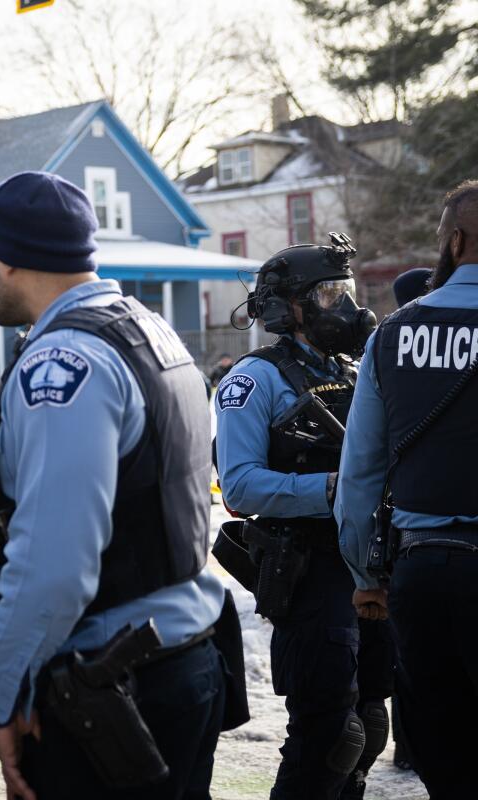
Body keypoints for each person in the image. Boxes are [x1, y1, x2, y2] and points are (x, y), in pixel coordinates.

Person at [0, 171, 227, 800]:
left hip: (114, 683)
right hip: (185, 655)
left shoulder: (67, 361)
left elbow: (55, 565)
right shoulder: (149, 329)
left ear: (9, 259)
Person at [216, 233, 391, 800]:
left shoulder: (358, 366)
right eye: (327, 293)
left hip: (368, 563)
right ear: (285, 307)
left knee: (368, 725)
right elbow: (239, 485)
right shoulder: (253, 379)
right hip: (308, 570)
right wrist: (342, 490)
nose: (345, 305)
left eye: (346, 290)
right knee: (328, 733)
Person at [336, 180, 478, 799]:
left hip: (421, 572)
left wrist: (366, 574)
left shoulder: (392, 335)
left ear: (453, 241)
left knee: (445, 762)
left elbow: (359, 475)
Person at [387, 264, 431, 775]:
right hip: (412, 517)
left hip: (402, 518)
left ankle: (409, 747)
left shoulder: (393, 345)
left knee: (410, 649)